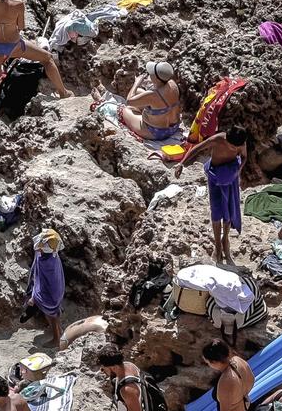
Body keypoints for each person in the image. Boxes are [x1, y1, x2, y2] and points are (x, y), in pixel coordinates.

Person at [0, 0, 68, 117]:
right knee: (47, 58)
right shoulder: (18, 4)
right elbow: (21, 27)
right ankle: (63, 93)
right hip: (14, 45)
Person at [176, 126, 249, 264]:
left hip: (230, 177)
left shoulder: (241, 142)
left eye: (237, 147)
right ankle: (217, 245)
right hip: (215, 176)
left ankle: (225, 240)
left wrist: (238, 170)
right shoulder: (217, 140)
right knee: (216, 212)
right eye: (233, 147)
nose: (236, 150)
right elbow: (197, 148)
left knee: (228, 209)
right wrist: (181, 163)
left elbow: (244, 156)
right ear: (227, 139)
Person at [96, 60, 184, 143]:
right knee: (139, 92)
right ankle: (139, 112)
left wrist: (136, 82)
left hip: (156, 133)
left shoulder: (152, 95)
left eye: (151, 74)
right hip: (173, 127)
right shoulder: (172, 84)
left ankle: (100, 100)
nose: (150, 75)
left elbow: (129, 101)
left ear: (157, 79)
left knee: (126, 109)